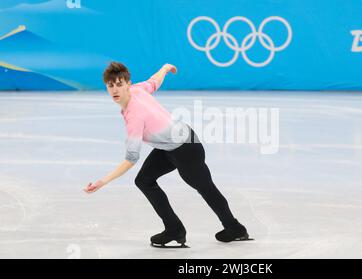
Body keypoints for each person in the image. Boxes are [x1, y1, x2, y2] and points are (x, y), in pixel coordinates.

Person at [84, 62, 251, 248]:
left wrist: (103, 181)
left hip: (186, 148)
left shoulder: (134, 116)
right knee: (144, 180)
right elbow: (153, 82)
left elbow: (131, 158)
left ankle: (234, 228)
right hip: (168, 146)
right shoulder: (138, 90)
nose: (115, 89)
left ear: (127, 84)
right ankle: (174, 229)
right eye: (110, 85)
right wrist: (165, 69)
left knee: (206, 188)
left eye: (119, 83)